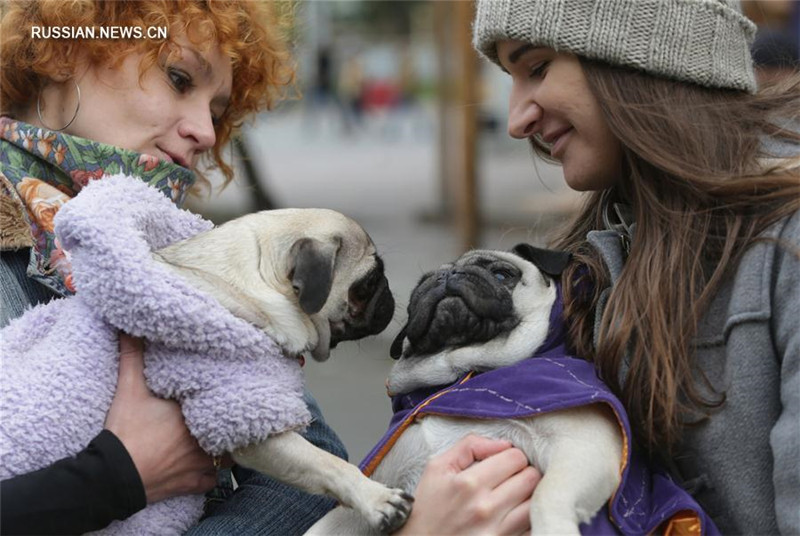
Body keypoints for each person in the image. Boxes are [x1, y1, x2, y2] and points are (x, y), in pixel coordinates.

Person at [0, 1, 537, 534]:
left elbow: (307, 470)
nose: (207, 134)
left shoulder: (180, 248)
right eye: (179, 78)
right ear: (61, 53)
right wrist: (117, 475)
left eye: (216, 111)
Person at [472, 0, 799, 533]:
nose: (517, 119)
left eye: (536, 68)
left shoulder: (786, 252)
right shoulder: (584, 265)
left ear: (643, 61)